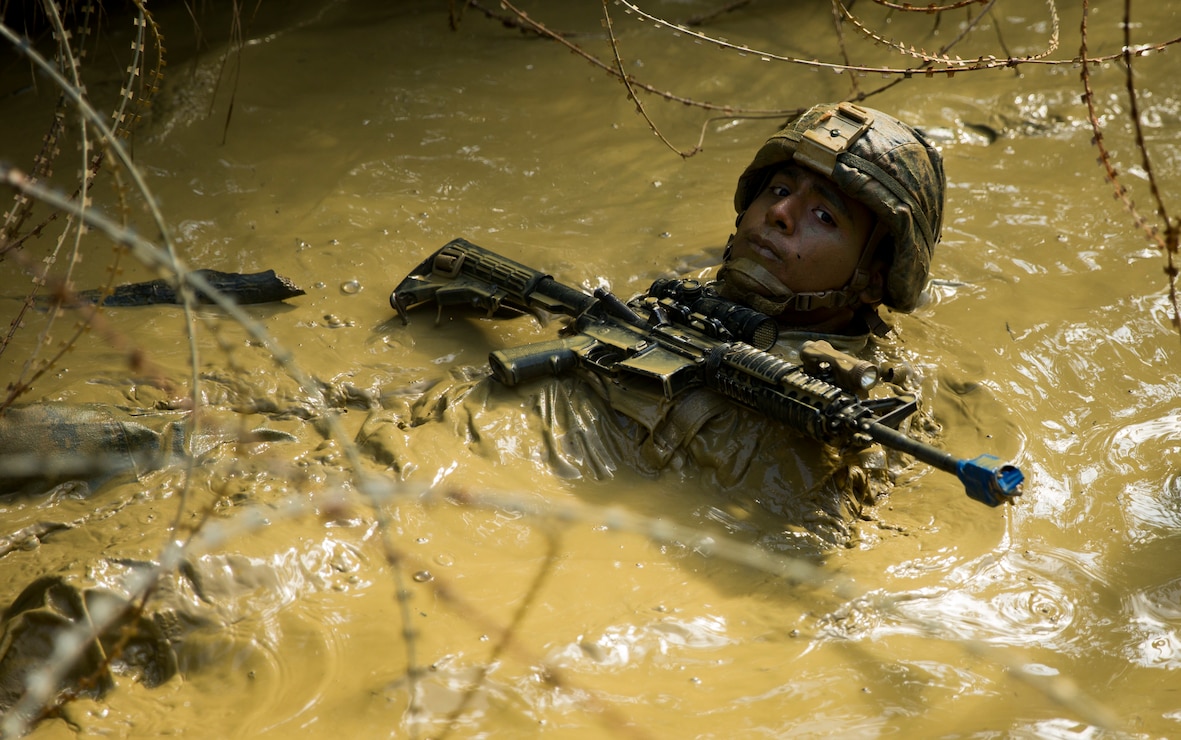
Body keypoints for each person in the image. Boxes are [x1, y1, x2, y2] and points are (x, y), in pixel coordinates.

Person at [359, 101, 948, 548]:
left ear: (875, 276)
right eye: (779, 188)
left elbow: (815, 548)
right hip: (418, 433)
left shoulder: (851, 405)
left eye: (823, 215)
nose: (781, 214)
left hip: (484, 510)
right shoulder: (682, 294)